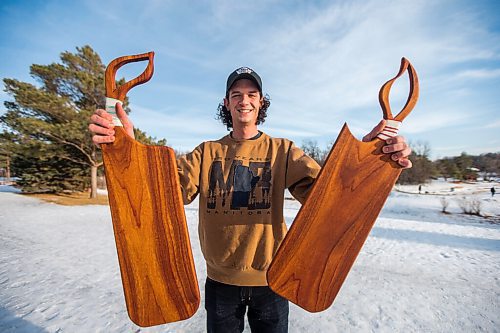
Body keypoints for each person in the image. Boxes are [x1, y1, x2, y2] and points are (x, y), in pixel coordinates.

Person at [89, 66, 412, 333]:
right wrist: (127, 147)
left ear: (261, 104)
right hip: (220, 283)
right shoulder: (206, 153)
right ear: (227, 104)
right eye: (236, 95)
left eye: (252, 95)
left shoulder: (283, 151)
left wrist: (368, 158)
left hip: (272, 280)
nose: (244, 100)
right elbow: (163, 194)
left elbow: (325, 197)